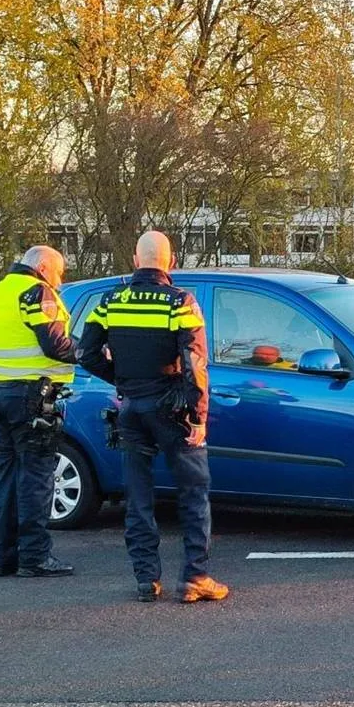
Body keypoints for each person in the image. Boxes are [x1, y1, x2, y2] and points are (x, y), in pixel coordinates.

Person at [77, 231, 228, 603]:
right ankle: (195, 577)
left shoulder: (110, 300)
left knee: (138, 496)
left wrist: (124, 380)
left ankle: (147, 579)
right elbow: (194, 363)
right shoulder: (180, 302)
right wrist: (198, 414)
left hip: (130, 409)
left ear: (135, 258)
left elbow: (86, 353)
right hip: (172, 409)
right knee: (193, 493)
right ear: (170, 261)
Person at [0, 246, 76, 578]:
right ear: (42, 267)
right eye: (58, 271)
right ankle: (35, 557)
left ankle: (2, 556)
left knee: (4, 476)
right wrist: (94, 351)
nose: (60, 279)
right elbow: (55, 344)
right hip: (31, 397)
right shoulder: (37, 291)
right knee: (36, 477)